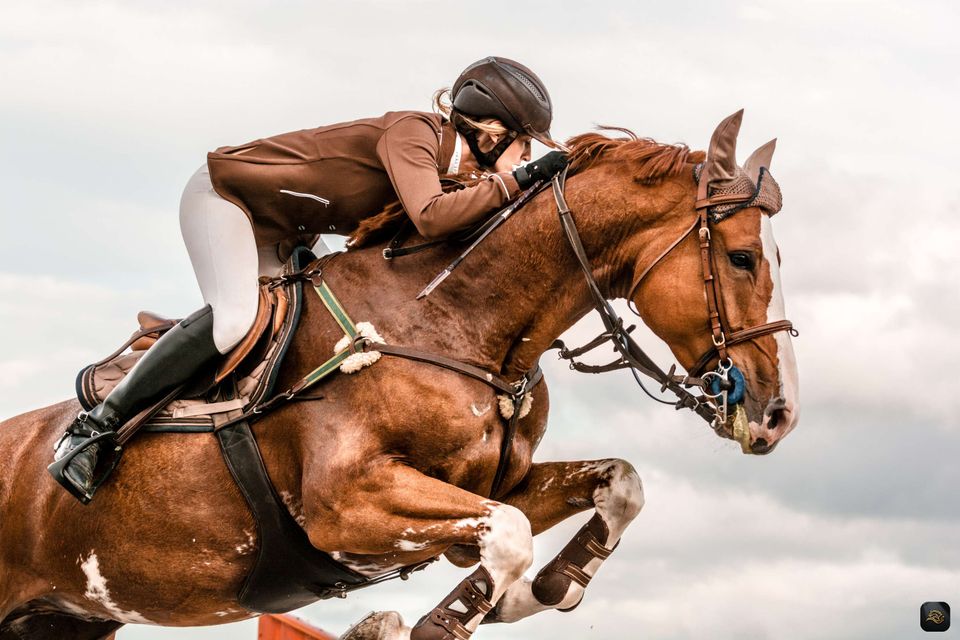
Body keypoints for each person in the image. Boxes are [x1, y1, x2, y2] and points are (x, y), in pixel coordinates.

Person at [49, 56, 570, 503]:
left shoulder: (463, 174)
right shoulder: (416, 132)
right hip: (229, 202)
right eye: (525, 147)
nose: (527, 159)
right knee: (236, 322)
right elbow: (433, 216)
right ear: (491, 131)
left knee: (318, 329)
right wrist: (520, 179)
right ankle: (93, 430)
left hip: (290, 231)